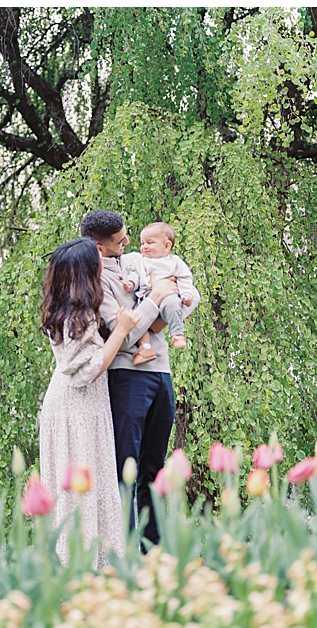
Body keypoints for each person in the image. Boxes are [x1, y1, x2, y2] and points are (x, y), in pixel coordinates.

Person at [80, 209, 198, 549]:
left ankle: (153, 547)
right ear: (101, 248)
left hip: (161, 372)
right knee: (125, 469)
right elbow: (122, 335)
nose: (130, 243)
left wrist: (159, 310)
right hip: (127, 376)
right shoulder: (95, 279)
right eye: (120, 240)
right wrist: (158, 299)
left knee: (154, 468)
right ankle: (124, 550)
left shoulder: (136, 260)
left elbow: (188, 296)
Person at [37, 237, 140, 568]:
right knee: (79, 494)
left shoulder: (78, 311)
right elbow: (86, 372)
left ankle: (99, 567)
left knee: (92, 488)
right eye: (97, 255)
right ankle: (80, 569)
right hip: (75, 408)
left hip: (86, 406)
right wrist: (122, 331)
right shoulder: (76, 318)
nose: (103, 258)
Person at [120, 222, 198, 364]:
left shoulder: (174, 262)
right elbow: (135, 275)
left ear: (167, 246)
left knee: (173, 304)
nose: (144, 247)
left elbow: (185, 278)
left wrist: (187, 294)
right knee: (137, 318)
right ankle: (145, 348)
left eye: (150, 243)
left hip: (169, 295)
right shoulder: (140, 261)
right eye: (143, 243)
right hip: (145, 298)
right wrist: (130, 284)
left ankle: (177, 334)